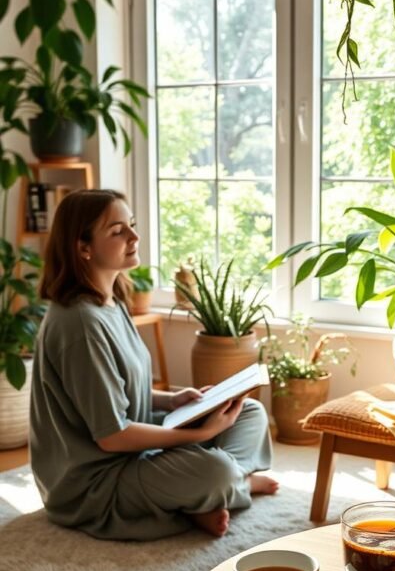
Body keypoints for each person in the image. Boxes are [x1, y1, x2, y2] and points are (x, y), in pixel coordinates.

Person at [30, 188, 277, 541]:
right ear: (83, 247)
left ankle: (203, 497)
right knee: (215, 470)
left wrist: (172, 401)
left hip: (137, 446)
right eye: (118, 231)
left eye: (131, 225)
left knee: (249, 412)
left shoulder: (110, 301)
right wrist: (200, 434)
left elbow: (114, 390)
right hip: (96, 482)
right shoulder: (80, 324)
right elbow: (112, 436)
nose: (134, 236)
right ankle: (231, 486)